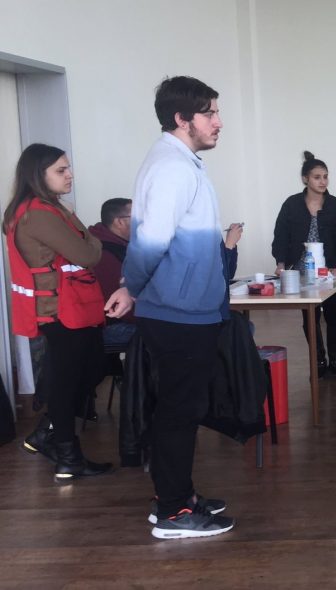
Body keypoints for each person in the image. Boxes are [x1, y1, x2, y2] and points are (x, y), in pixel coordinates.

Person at [122, 75, 235, 539]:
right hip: (178, 313)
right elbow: (150, 241)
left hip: (184, 309)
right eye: (210, 113)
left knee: (181, 408)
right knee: (178, 411)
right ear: (182, 118)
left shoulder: (180, 161)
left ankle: (176, 495)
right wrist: (131, 286)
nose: (218, 122)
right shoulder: (173, 167)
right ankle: (173, 512)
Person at [5, 143, 117, 481]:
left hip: (71, 308)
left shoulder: (43, 209)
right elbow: (89, 254)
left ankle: (47, 434)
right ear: (38, 175)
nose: (70, 175)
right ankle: (68, 457)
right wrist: (82, 228)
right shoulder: (39, 213)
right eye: (61, 170)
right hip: (61, 311)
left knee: (89, 370)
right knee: (68, 383)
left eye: (68, 168)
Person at [271, 151, 336, 378]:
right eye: (317, 177)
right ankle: (319, 359)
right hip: (301, 270)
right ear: (305, 179)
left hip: (330, 271)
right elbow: (280, 236)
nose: (323, 181)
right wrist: (281, 262)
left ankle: (335, 359)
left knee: (335, 315)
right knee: (310, 316)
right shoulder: (292, 204)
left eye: (325, 176)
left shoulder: (335, 206)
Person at [89, 198, 137, 347]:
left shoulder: (123, 245)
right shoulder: (104, 254)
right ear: (119, 222)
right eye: (137, 216)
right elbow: (119, 307)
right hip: (113, 325)